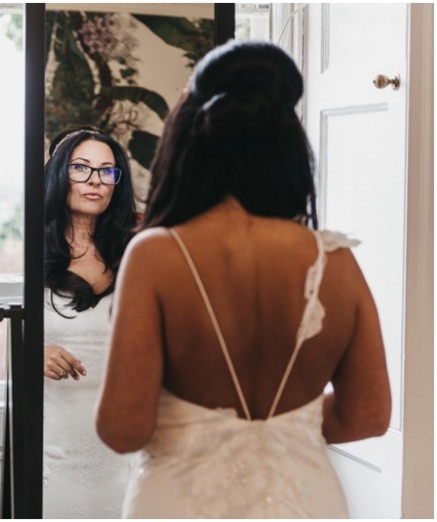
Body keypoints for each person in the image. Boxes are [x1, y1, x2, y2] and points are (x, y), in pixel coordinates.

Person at [96, 41, 392, 518]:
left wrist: (200, 429)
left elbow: (122, 428)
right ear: (288, 149)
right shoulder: (335, 262)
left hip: (180, 502)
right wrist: (281, 429)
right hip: (305, 502)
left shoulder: (156, 256)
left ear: (190, 144)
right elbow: (368, 416)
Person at [42, 126, 137, 518]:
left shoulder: (138, 251)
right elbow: (2, 334)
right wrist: (34, 353)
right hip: (56, 440)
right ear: (60, 173)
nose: (96, 180)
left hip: (127, 438)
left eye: (107, 171)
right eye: (81, 168)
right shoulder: (32, 252)